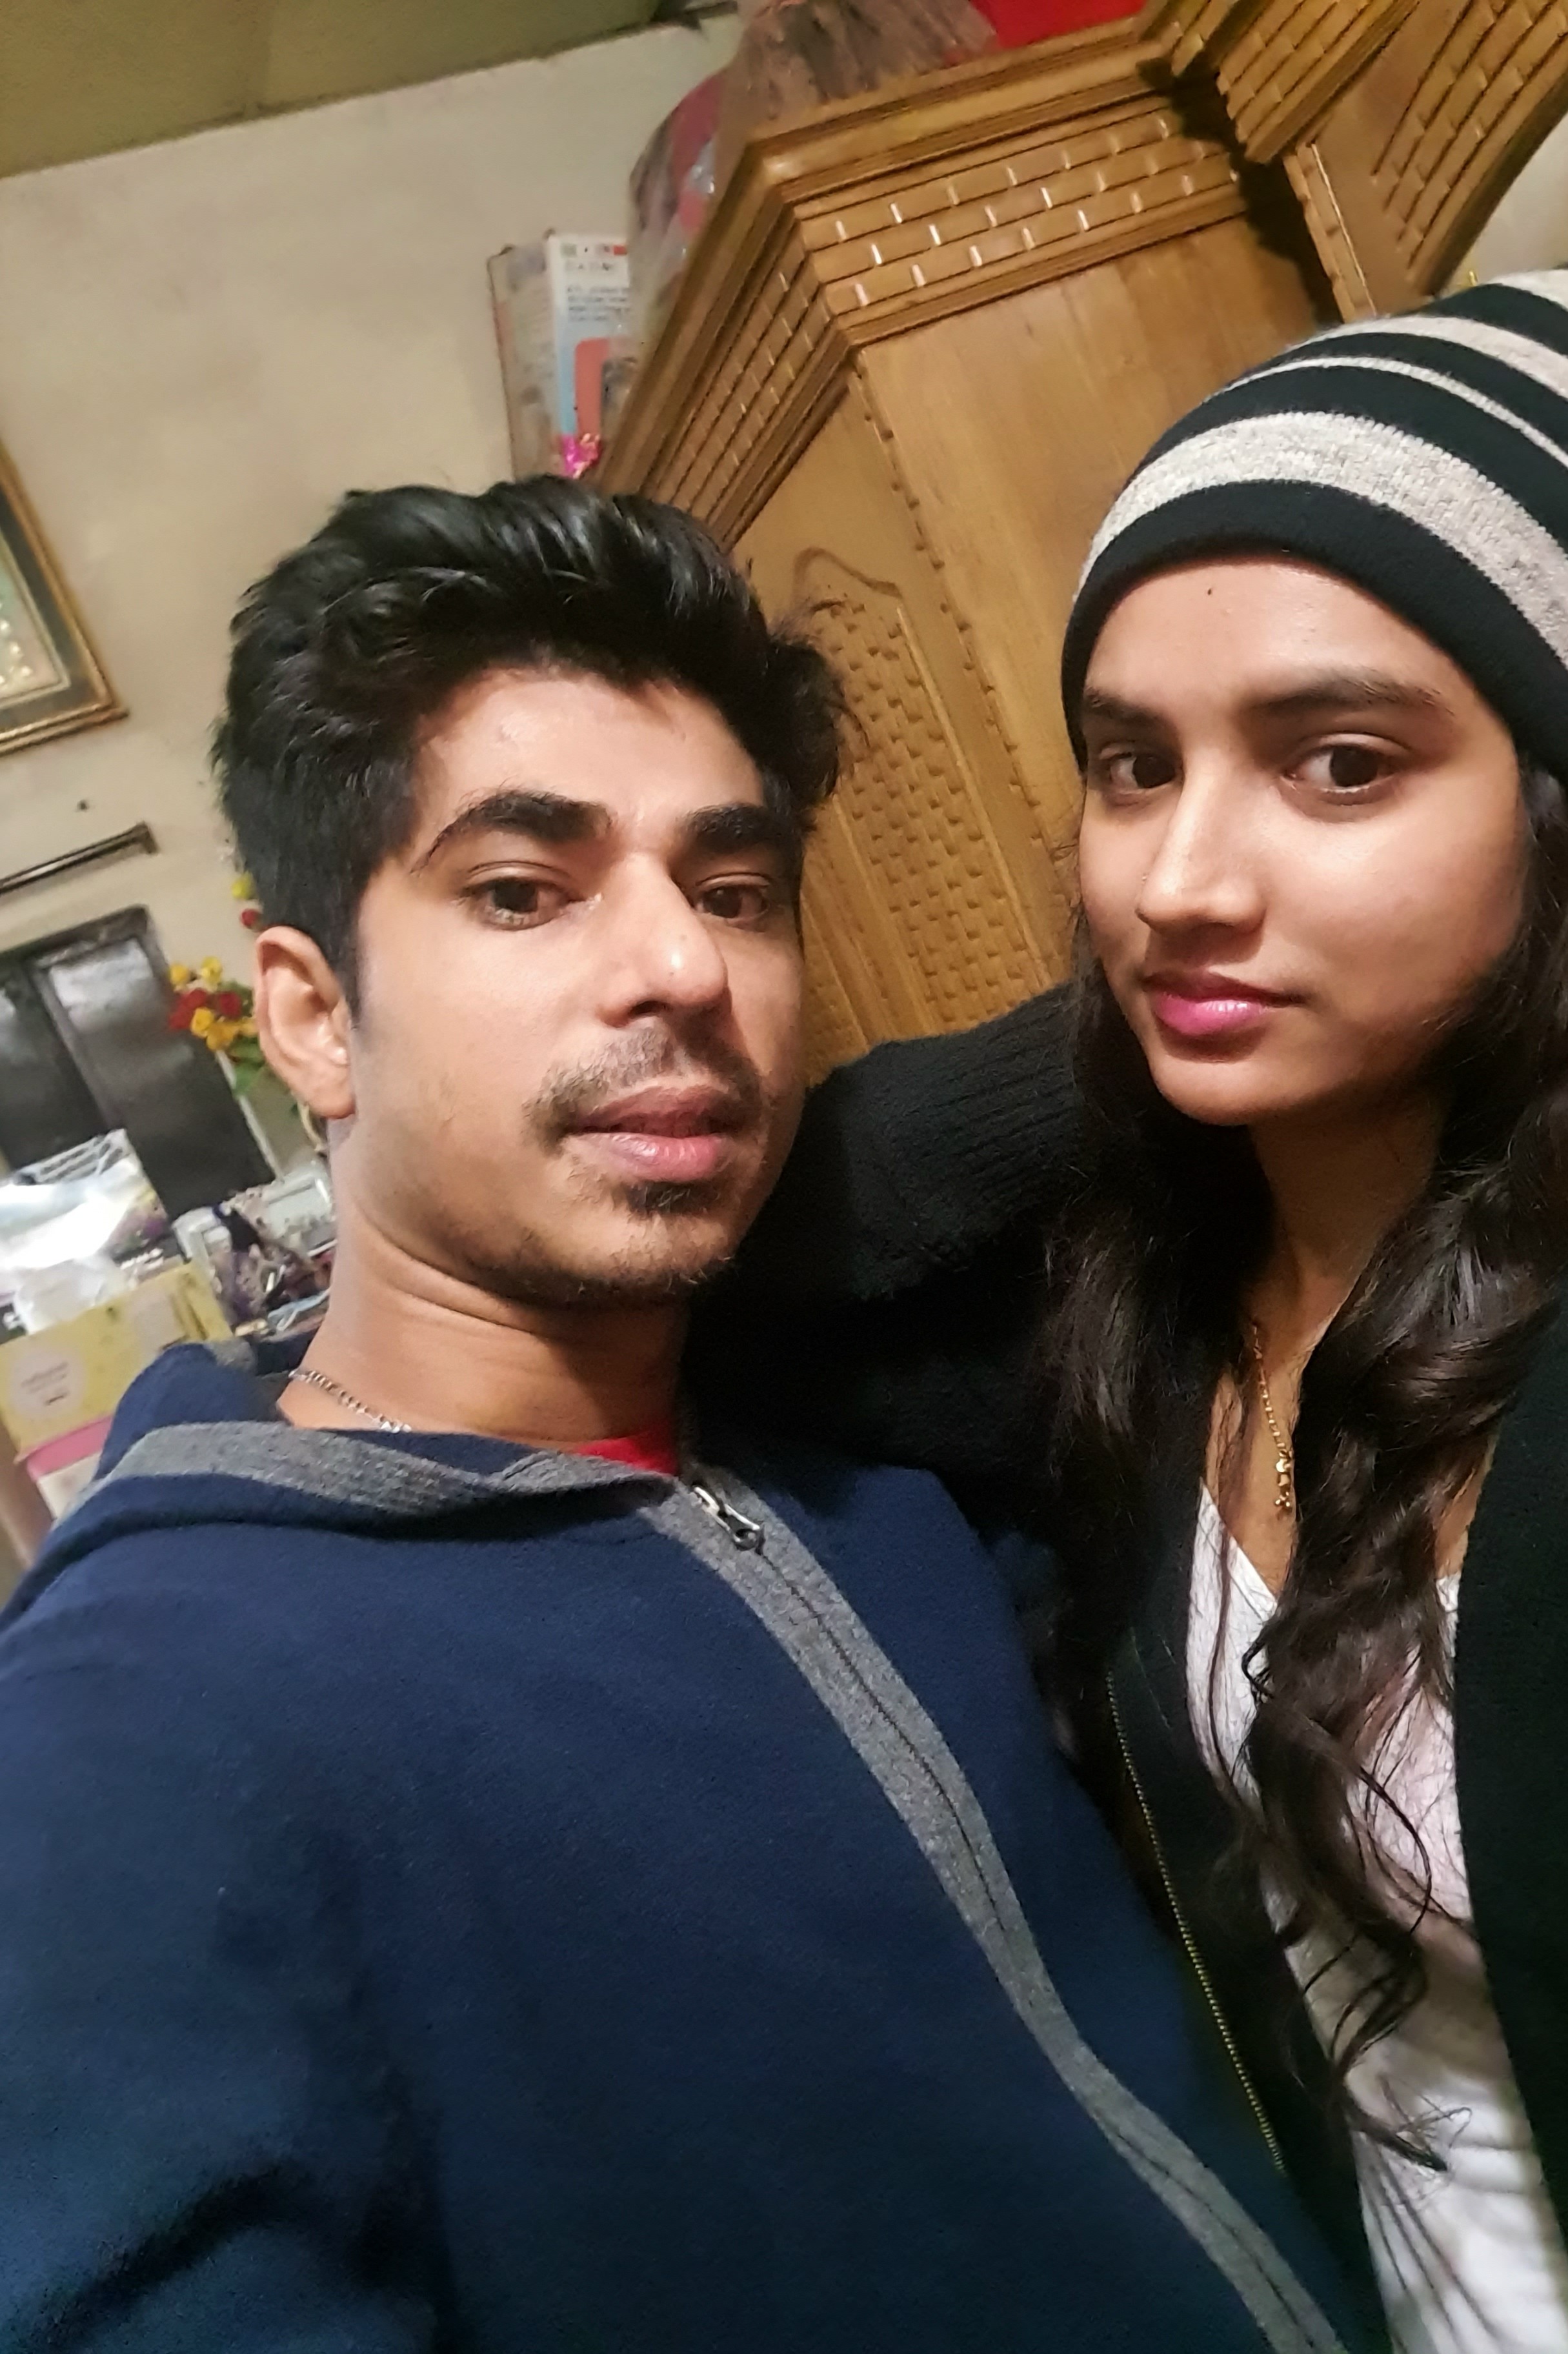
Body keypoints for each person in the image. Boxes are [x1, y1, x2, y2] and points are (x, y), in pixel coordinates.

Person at [0, 483, 1357, 2354]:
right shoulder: (130, 1724)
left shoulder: (876, 1451)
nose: (684, 969)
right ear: (309, 1016)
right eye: (522, 889)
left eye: (734, 892)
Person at [705, 262, 1568, 2354]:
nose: (1180, 879)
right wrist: (1119, 1039)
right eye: (1132, 766)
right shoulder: (1154, 1305)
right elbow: (765, 1262)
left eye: (1340, 764)